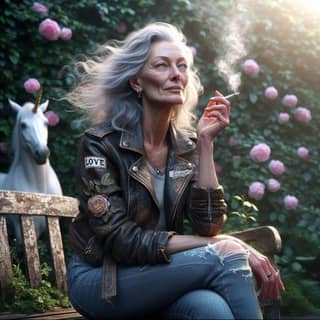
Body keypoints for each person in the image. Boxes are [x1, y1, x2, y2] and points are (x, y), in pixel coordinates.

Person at [66, 22, 284, 320]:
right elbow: (121, 241)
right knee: (227, 254)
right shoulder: (100, 145)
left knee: (212, 309)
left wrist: (205, 143)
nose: (176, 74)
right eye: (161, 65)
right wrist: (223, 244)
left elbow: (208, 226)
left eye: (182, 66)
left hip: (160, 273)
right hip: (102, 279)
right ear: (136, 82)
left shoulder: (186, 146)